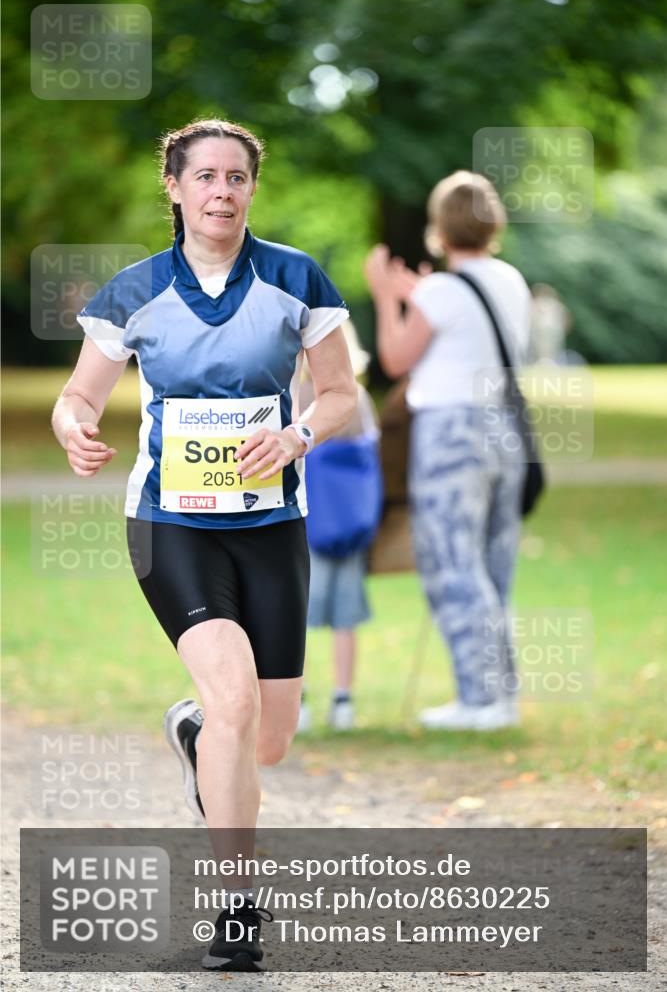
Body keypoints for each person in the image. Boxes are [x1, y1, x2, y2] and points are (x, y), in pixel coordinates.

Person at [51, 117, 356, 971]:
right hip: (170, 525)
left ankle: (193, 734)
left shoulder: (295, 278)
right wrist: (73, 427)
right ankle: (237, 909)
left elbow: (338, 393)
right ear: (176, 188)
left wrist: (296, 436)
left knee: (269, 737)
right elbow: (78, 396)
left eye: (237, 178)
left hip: (272, 527)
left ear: (251, 188)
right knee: (233, 701)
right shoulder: (135, 290)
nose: (222, 192)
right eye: (206, 177)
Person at [364, 170, 531, 731]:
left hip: (451, 434)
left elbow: (395, 358)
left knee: (453, 564)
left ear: (440, 226)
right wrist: (421, 297)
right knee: (492, 565)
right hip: (504, 429)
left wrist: (387, 298)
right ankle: (501, 694)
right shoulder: (509, 280)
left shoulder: (440, 291)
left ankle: (479, 701)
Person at [297, 321, 382, 732]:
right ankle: (343, 700)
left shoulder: (297, 397)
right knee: (345, 618)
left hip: (307, 522)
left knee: (295, 615)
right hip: (350, 524)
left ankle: (298, 701)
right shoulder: (358, 399)